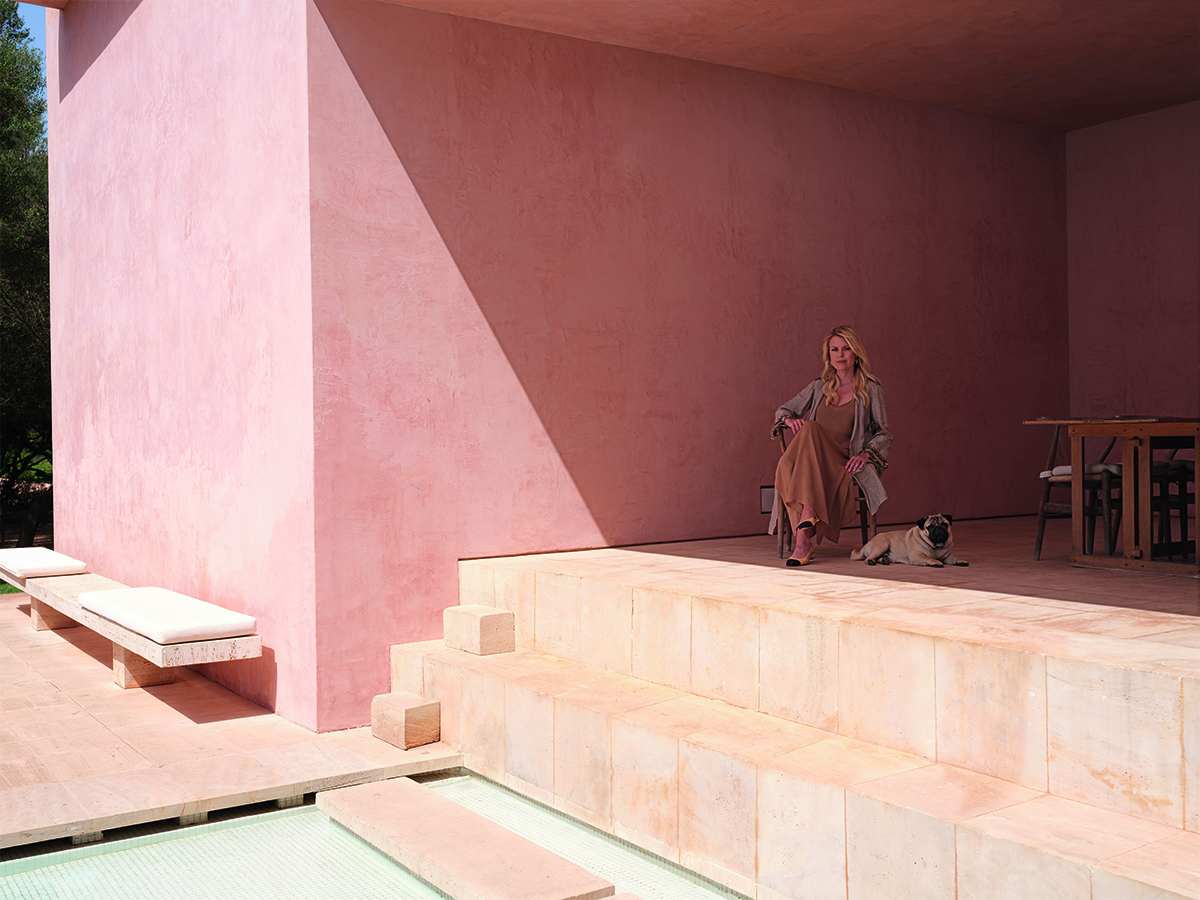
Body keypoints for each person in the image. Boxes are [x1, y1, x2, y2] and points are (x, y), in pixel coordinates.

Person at [771, 325, 892, 566]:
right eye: (834, 349)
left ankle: (804, 533)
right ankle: (804, 537)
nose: (840, 354)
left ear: (856, 353)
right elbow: (783, 410)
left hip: (841, 461)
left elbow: (884, 433)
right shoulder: (819, 387)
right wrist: (789, 419)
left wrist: (867, 454)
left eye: (846, 349)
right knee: (789, 461)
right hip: (813, 461)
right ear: (829, 355)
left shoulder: (870, 389)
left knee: (807, 432)